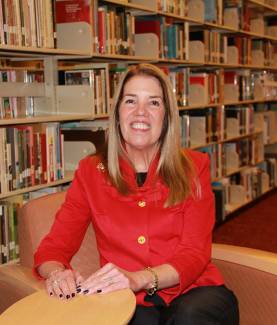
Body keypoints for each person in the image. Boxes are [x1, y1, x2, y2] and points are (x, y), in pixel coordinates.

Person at [34, 63, 239, 324]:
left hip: (195, 292)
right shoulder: (91, 172)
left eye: (153, 103)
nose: (141, 112)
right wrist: (56, 274)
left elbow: (194, 253)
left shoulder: (194, 167)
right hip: (129, 302)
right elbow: (53, 248)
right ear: (118, 112)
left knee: (189, 317)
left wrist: (138, 278)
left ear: (166, 116)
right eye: (131, 101)